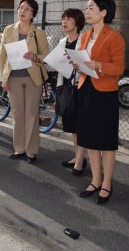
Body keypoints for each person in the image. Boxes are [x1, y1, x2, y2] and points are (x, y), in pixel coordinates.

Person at [76, 0, 125, 204]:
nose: (87, 11)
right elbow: (81, 58)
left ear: (104, 12)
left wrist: (100, 66)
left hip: (105, 94)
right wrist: (78, 64)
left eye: (91, 8)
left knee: (105, 140)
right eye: (86, 8)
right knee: (89, 138)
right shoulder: (85, 35)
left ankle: (107, 183)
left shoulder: (115, 37)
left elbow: (120, 67)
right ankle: (95, 180)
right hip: (86, 89)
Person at [0, 0, 49, 163]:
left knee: (32, 114)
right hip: (13, 78)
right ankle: (19, 148)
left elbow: (45, 57)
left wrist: (34, 56)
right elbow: (2, 56)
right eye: (21, 8)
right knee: (17, 114)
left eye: (27, 9)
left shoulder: (39, 33)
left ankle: (31, 150)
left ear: (33, 14)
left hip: (33, 78)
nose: (22, 11)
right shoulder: (8, 30)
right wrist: (3, 78)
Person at [57, 9, 87, 175]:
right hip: (67, 86)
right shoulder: (62, 42)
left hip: (81, 86)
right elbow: (59, 67)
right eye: (63, 19)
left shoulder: (85, 40)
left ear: (77, 22)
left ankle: (80, 161)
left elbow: (87, 63)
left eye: (68, 19)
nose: (64, 22)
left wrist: (78, 65)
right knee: (73, 127)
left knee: (80, 125)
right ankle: (77, 156)